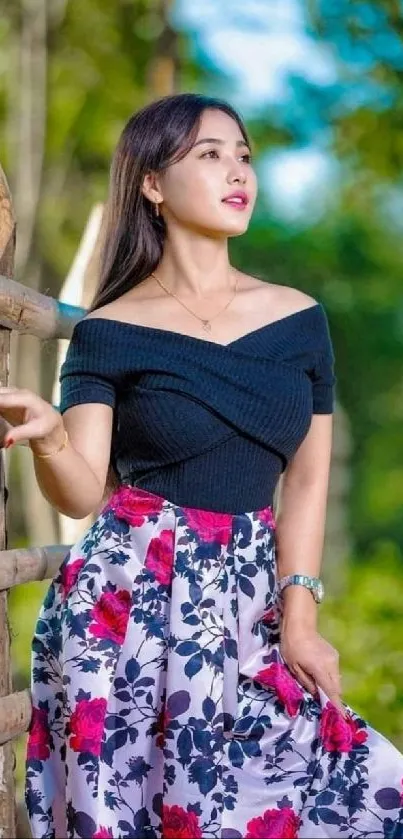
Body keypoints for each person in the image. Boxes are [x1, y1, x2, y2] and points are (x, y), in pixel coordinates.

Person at [0, 92, 401, 838]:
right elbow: (84, 490)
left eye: (242, 155)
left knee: (365, 787)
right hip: (123, 616)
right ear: (151, 184)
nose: (236, 171)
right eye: (209, 155)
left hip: (249, 607)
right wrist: (53, 436)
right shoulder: (109, 331)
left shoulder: (298, 320)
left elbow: (306, 480)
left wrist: (302, 618)